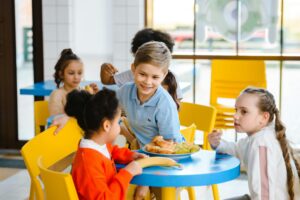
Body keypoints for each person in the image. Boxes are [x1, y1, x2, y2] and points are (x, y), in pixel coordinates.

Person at [208, 87, 300, 200]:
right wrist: (217, 144)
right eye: (235, 110)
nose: (235, 116)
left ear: (264, 117)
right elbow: (236, 149)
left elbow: (264, 194)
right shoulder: (259, 136)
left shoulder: (261, 144)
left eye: (244, 111)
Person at [65, 88, 147, 200]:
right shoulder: (88, 162)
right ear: (107, 125)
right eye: (118, 123)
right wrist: (127, 172)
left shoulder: (97, 145)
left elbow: (111, 151)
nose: (119, 128)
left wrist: (130, 155)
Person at [100, 28, 183, 104]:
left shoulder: (170, 80)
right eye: (143, 74)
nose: (147, 82)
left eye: (155, 77)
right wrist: (104, 67)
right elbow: (108, 81)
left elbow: (177, 103)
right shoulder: (128, 82)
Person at [48, 48, 97, 116]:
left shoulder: (83, 91)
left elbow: (92, 115)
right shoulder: (57, 95)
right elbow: (56, 120)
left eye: (79, 73)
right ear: (61, 74)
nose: (76, 77)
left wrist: (93, 97)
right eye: (71, 73)